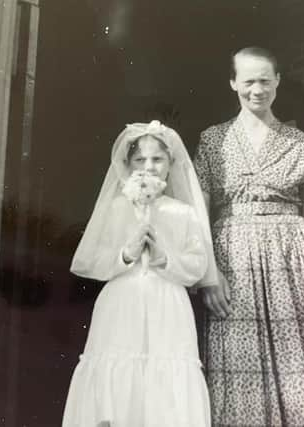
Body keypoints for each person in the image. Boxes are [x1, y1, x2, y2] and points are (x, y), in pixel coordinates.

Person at [194, 47, 304, 426]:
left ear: (278, 82)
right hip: (233, 266)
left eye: (265, 80)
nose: (258, 89)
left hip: (295, 265)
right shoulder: (212, 141)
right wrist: (209, 274)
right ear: (233, 82)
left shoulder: (301, 143)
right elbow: (198, 214)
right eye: (249, 80)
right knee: (239, 365)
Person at [62, 120, 219, 427]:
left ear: (171, 163)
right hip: (123, 302)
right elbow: (86, 260)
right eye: (140, 159)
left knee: (166, 379)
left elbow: (198, 264)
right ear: (128, 164)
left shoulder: (183, 212)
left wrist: (165, 259)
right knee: (120, 375)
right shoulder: (116, 209)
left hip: (167, 304)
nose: (149, 166)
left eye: (158, 159)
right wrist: (125, 254)